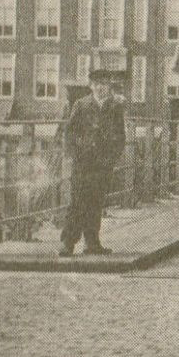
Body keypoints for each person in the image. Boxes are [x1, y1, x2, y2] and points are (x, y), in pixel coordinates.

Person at [60, 68, 126, 257]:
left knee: (96, 203)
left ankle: (92, 243)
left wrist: (111, 159)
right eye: (97, 84)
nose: (100, 88)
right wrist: (75, 153)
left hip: (103, 164)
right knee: (77, 201)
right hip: (83, 163)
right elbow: (70, 132)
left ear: (109, 86)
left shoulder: (115, 108)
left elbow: (120, 137)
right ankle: (68, 243)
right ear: (91, 86)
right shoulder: (81, 105)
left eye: (104, 84)